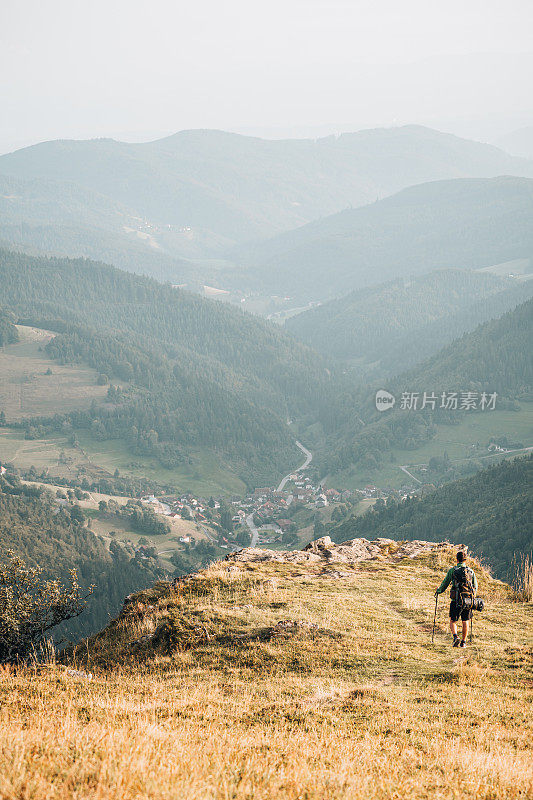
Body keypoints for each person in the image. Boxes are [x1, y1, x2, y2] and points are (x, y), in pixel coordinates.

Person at [435, 551, 478, 647]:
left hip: (456, 600)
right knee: (465, 620)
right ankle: (463, 642)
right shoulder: (470, 571)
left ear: (457, 559)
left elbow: (445, 583)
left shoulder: (453, 570)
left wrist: (438, 591)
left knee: (453, 620)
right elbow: (475, 586)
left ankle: (455, 637)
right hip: (467, 600)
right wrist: (472, 597)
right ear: (465, 560)